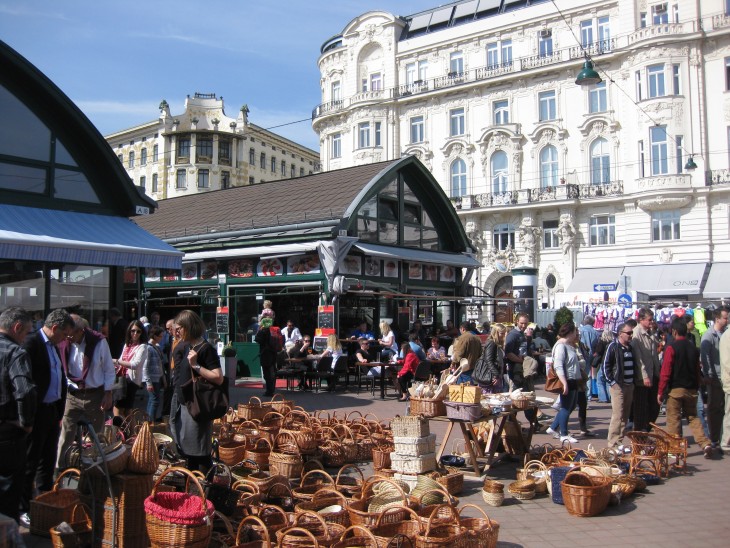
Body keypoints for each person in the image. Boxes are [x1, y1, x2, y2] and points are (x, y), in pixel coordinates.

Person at [21, 308, 74, 526]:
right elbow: (26, 380)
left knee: (48, 458)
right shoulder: (32, 343)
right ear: (54, 328)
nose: (65, 339)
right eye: (64, 334)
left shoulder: (53, 346)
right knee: (30, 460)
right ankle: (24, 507)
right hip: (38, 411)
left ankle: (44, 499)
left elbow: (58, 375)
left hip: (52, 410)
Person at [56, 314, 114, 471]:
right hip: (73, 394)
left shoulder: (99, 342)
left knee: (97, 435)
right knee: (66, 434)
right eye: (66, 333)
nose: (68, 336)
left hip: (94, 395)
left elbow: (109, 369)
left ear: (81, 331)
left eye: (71, 333)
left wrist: (108, 393)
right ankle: (59, 469)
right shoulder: (64, 343)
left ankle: (95, 469)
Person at [170, 309, 224, 472]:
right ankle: (194, 489)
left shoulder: (205, 348)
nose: (176, 331)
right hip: (185, 402)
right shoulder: (186, 346)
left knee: (199, 453)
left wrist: (196, 365)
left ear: (188, 326)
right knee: (189, 452)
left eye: (179, 328)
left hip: (197, 406)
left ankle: (204, 490)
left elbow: (218, 377)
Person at [657, 316, 713, 459]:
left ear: (674, 331)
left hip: (675, 390)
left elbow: (666, 371)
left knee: (673, 419)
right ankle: (705, 443)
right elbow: (696, 369)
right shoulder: (693, 348)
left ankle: (675, 450)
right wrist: (700, 381)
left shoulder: (671, 347)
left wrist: (660, 391)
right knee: (693, 418)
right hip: (691, 389)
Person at [0, 307, 36, 523]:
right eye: (25, 333)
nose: (25, 339)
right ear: (17, 327)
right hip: (8, 432)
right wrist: (27, 422)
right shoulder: (16, 353)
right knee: (8, 491)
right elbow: (25, 390)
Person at [545, 322, 583, 443]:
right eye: (575, 332)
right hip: (567, 380)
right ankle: (564, 434)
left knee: (571, 406)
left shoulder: (568, 345)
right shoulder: (561, 346)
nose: (576, 335)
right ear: (570, 333)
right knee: (566, 407)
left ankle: (553, 427)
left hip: (573, 380)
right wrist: (564, 383)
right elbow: (558, 366)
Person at [603, 323, 637, 449]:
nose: (630, 335)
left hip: (629, 385)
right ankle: (612, 443)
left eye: (631, 333)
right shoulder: (613, 346)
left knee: (625, 415)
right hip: (618, 386)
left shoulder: (630, 347)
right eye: (628, 333)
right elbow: (605, 366)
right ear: (620, 333)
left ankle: (619, 441)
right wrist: (612, 382)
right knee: (617, 415)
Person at [700, 307, 728, 453]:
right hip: (715, 377)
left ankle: (724, 437)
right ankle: (715, 438)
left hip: (725, 376)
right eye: (725, 317)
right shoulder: (708, 335)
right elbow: (705, 357)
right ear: (717, 319)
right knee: (714, 409)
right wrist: (708, 375)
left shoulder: (725, 333)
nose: (727, 320)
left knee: (725, 409)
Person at [631, 308, 661, 432]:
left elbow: (655, 351)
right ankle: (640, 435)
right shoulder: (636, 333)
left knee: (655, 406)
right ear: (641, 319)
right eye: (649, 320)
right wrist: (644, 376)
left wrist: (654, 331)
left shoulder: (650, 332)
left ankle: (646, 431)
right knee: (641, 408)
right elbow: (638, 358)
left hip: (654, 373)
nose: (651, 322)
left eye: (652, 319)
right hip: (642, 377)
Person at [112, 320, 148, 419]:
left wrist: (116, 361)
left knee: (117, 409)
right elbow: (121, 359)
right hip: (122, 379)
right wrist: (116, 363)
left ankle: (118, 431)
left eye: (138, 331)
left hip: (131, 381)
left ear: (142, 333)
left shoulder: (143, 347)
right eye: (133, 331)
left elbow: (135, 365)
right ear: (129, 331)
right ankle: (131, 433)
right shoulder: (127, 345)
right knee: (127, 410)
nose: (135, 333)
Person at [473, 324, 506, 394]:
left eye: (504, 333)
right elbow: (489, 360)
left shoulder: (497, 343)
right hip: (490, 376)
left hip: (495, 375)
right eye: (501, 333)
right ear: (496, 333)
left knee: (497, 399)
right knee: (490, 399)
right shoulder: (491, 343)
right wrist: (496, 375)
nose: (503, 335)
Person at [504, 313, 530, 391]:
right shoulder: (513, 334)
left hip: (521, 368)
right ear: (517, 322)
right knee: (515, 392)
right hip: (514, 369)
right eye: (521, 323)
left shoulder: (522, 334)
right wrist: (521, 361)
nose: (523, 326)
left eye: (525, 323)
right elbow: (508, 353)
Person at [145, 326, 166, 423]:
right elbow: (146, 366)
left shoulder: (156, 347)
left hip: (157, 378)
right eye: (160, 336)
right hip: (152, 378)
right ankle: (150, 422)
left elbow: (160, 364)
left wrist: (163, 378)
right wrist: (148, 382)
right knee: (154, 400)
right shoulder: (148, 348)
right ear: (155, 336)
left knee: (153, 400)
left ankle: (148, 421)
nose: (162, 338)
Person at [255, 317, 278, 397]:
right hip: (273, 354)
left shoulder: (262, 331)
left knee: (267, 374)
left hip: (265, 354)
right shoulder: (273, 331)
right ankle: (272, 390)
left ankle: (269, 391)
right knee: (273, 373)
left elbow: (257, 339)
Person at [593, 327, 614, 403]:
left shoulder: (602, 342)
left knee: (600, 381)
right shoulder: (613, 343)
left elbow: (598, 352)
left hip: (603, 362)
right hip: (611, 363)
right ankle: (610, 397)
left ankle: (603, 398)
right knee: (609, 381)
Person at [718, 323, 730, 452]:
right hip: (729, 381)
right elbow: (727, 363)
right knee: (729, 413)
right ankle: (726, 443)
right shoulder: (727, 336)